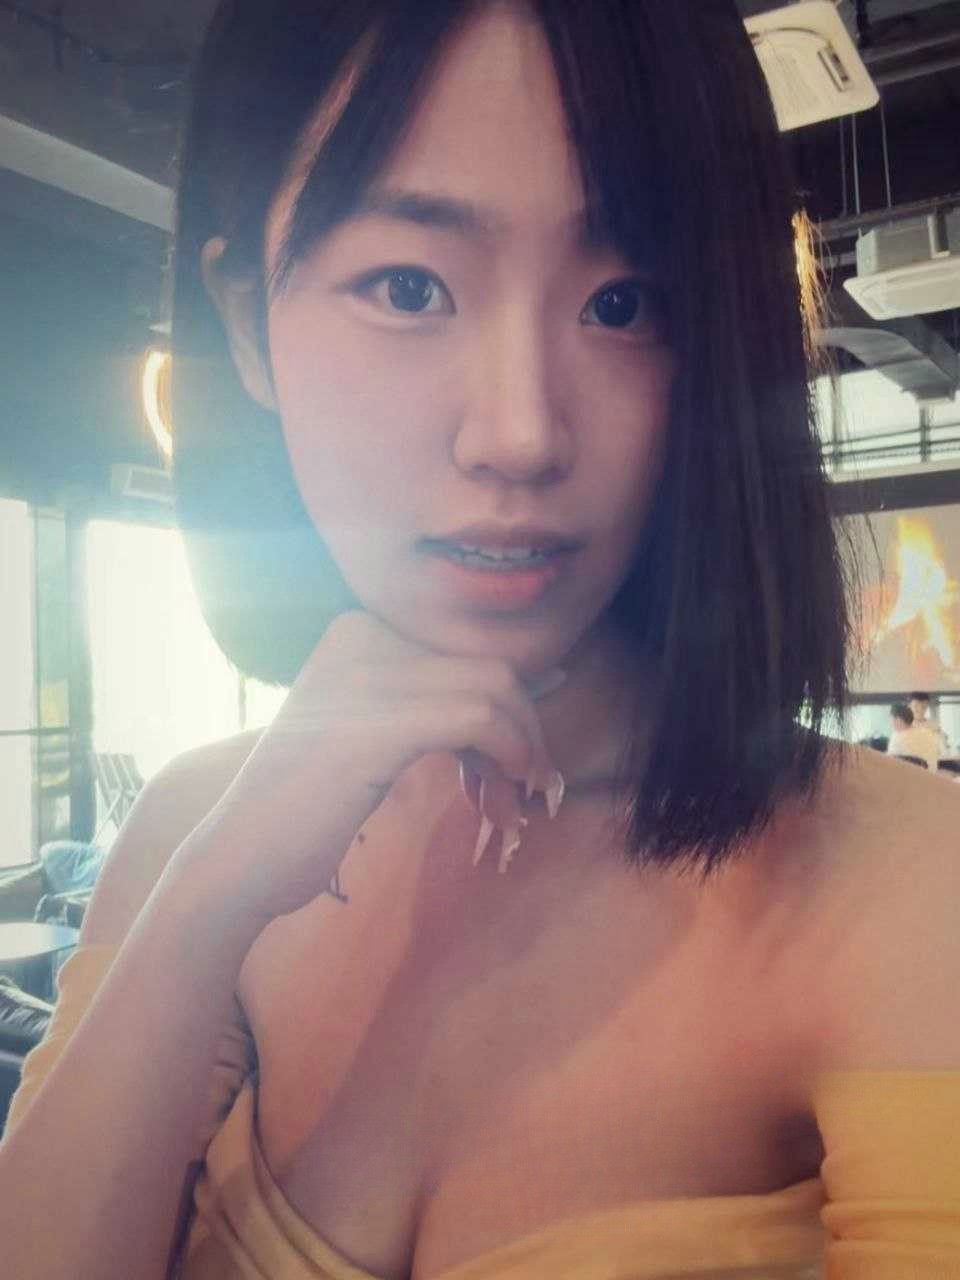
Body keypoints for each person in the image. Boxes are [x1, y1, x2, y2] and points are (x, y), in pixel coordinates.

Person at [2, 2, 959, 1278]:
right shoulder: (196, 826)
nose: (520, 432)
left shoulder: (903, 879)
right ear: (245, 322)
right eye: (410, 287)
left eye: (623, 302)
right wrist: (203, 906)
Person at [887, 702, 941, 773]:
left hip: (910, 776)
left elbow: (890, 763)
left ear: (898, 720)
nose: (890, 724)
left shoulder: (897, 737)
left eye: (891, 719)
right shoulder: (928, 733)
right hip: (932, 775)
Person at [909, 690, 949, 757]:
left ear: (927, 706)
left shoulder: (934, 726)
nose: (920, 709)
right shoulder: (903, 726)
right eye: (916, 705)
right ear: (909, 706)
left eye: (923, 706)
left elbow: (944, 748)